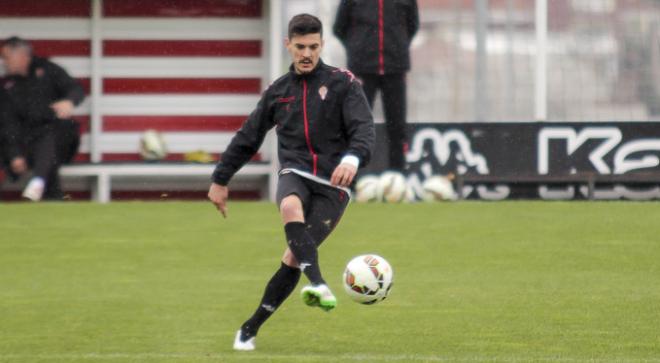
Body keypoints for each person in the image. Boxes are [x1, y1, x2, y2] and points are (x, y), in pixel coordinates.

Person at [207, 14, 375, 351]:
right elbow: (247, 137)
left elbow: (364, 129)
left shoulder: (343, 83)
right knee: (288, 205)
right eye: (300, 47)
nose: (307, 53)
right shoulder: (278, 92)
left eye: (313, 46)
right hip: (295, 173)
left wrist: (352, 158)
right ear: (289, 45)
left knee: (292, 258)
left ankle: (250, 327)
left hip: (333, 185)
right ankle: (319, 283)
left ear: (322, 45)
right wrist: (220, 178)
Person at [333, 0, 419, 172]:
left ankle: (397, 177)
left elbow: (412, 25)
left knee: (397, 128)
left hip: (395, 69)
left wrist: (397, 46)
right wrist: (357, 48)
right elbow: (339, 27)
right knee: (356, 126)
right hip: (362, 70)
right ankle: (351, 180)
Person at [0, 36, 83, 201]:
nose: (4, 62)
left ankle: (39, 181)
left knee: (53, 130)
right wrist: (15, 154)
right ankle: (48, 190)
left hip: (61, 143)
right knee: (43, 143)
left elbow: (75, 88)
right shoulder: (6, 86)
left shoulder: (48, 70)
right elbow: (7, 123)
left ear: (23, 56)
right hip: (27, 147)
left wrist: (69, 101)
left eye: (7, 58)